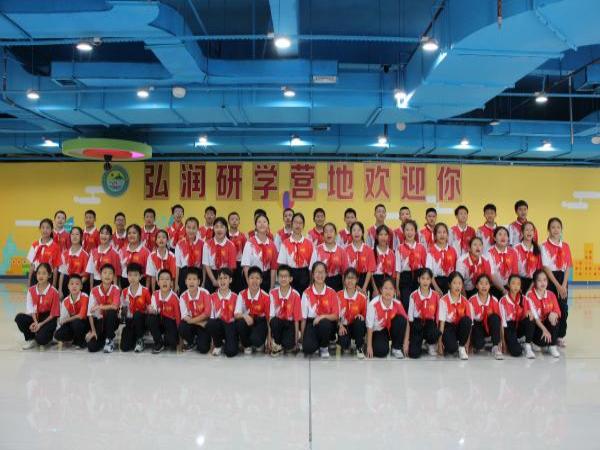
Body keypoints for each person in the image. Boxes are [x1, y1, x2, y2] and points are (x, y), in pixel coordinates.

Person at [541, 217, 572, 346]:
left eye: (558, 227)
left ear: (561, 229)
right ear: (548, 229)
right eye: (553, 227)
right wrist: (557, 286)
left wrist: (563, 285)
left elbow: (568, 266)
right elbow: (546, 267)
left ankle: (560, 336)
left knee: (563, 308)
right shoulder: (544, 246)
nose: (555, 230)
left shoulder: (566, 246)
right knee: (550, 308)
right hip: (550, 279)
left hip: (563, 280)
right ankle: (549, 335)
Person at [15, 263, 60, 349]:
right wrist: (35, 322)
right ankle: (31, 338)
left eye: (44, 273)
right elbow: (31, 309)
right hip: (36, 316)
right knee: (19, 318)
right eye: (39, 273)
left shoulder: (54, 292)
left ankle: (50, 336)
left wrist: (40, 324)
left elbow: (53, 314)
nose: (41, 276)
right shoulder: (31, 290)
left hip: (49, 319)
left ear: (49, 275)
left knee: (41, 340)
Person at [300, 262, 339, 358]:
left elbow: (335, 316)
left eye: (322, 272)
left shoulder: (332, 292)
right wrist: (302, 338)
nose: (320, 275)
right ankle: (317, 342)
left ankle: (324, 347)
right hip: (311, 323)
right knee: (308, 349)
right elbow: (304, 318)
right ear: (313, 274)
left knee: (324, 323)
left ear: (326, 274)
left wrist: (322, 317)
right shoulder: (306, 293)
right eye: (317, 272)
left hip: (327, 323)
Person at [365, 276, 407, 359]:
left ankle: (396, 348)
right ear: (381, 290)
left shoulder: (397, 303)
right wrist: (369, 346)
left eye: (391, 288)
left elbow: (407, 322)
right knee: (381, 352)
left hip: (390, 329)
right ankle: (373, 344)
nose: (388, 291)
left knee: (401, 319)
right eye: (385, 288)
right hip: (378, 331)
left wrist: (406, 342)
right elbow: (369, 326)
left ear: (394, 291)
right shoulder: (373, 304)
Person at [524, 270, 561, 358]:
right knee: (530, 318)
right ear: (534, 282)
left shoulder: (551, 294)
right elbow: (534, 316)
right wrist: (544, 329)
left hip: (545, 326)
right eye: (539, 280)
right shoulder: (529, 295)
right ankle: (528, 346)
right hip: (536, 328)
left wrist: (554, 314)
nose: (542, 283)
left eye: (544, 280)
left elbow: (558, 311)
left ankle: (552, 346)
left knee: (554, 317)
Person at [235, 266, 271, 354]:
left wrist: (269, 339)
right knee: (240, 323)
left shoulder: (266, 297)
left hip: (260, 322)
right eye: (251, 278)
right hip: (247, 321)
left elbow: (268, 320)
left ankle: (259, 343)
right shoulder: (241, 294)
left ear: (261, 280)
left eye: (257, 278)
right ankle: (247, 345)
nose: (254, 281)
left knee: (256, 340)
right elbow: (236, 314)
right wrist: (244, 316)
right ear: (247, 279)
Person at [406, 268, 440, 358]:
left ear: (431, 280)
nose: (425, 281)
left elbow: (437, 317)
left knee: (434, 331)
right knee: (413, 354)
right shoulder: (413, 295)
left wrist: (438, 341)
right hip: (417, 324)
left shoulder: (436, 295)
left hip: (430, 324)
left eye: (428, 279)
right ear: (418, 280)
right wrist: (407, 341)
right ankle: (419, 342)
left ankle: (430, 343)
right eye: (423, 278)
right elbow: (410, 319)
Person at [86, 264, 120, 353]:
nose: (107, 275)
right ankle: (103, 339)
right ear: (100, 276)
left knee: (111, 312)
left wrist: (100, 306)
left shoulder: (116, 289)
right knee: (91, 347)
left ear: (113, 277)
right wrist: (93, 331)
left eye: (110, 273)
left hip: (112, 321)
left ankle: (109, 340)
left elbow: (115, 306)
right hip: (99, 322)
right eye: (105, 273)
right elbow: (90, 313)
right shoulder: (94, 290)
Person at [437, 272, 471, 360]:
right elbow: (441, 325)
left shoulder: (465, 301)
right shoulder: (443, 300)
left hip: (460, 327)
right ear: (449, 285)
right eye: (454, 283)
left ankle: (461, 347)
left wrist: (467, 344)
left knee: (467, 320)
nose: (457, 286)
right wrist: (439, 344)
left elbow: (469, 325)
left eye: (460, 283)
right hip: (448, 327)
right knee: (452, 349)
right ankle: (452, 344)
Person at [269, 265, 302, 356]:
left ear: (291, 279)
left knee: (288, 346)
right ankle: (276, 343)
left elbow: (296, 320)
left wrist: (296, 342)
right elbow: (270, 317)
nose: (283, 279)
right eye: (281, 276)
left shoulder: (296, 295)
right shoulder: (272, 293)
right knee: (274, 321)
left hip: (289, 324)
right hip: (278, 323)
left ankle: (294, 337)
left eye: (286, 276)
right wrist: (269, 338)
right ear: (277, 278)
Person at [277, 212, 313, 295]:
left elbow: (312, 266)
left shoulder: (309, 243)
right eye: (296, 222)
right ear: (292, 224)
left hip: (305, 276)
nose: (298, 225)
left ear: (303, 225)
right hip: (289, 276)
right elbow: (281, 265)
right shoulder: (285, 243)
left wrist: (311, 282)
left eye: (300, 223)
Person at [468, 274, 503, 359]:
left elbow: (500, 323)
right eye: (481, 283)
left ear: (490, 286)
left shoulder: (494, 300)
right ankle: (483, 342)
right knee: (479, 345)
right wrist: (469, 343)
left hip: (489, 325)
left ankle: (495, 346)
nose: (484, 286)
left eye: (486, 283)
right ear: (477, 286)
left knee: (495, 318)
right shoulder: (471, 300)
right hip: (477, 327)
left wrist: (501, 341)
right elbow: (470, 323)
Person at [178, 267, 212, 353]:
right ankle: (191, 342)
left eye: (194, 279)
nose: (191, 282)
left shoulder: (205, 293)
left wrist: (193, 321)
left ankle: (199, 340)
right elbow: (185, 317)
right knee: (182, 327)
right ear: (185, 282)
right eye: (189, 279)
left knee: (203, 349)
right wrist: (199, 323)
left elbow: (207, 313)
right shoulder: (183, 296)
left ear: (199, 282)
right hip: (198, 324)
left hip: (203, 324)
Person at [119, 263, 152, 352]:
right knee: (124, 348)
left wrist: (148, 310)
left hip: (142, 321)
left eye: (135, 275)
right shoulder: (124, 291)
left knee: (137, 314)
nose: (132, 278)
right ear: (127, 276)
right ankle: (134, 337)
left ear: (140, 276)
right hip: (130, 321)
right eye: (130, 275)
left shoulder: (145, 291)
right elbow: (123, 309)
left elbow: (150, 307)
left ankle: (140, 339)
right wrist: (123, 311)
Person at [395, 220, 427, 311]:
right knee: (406, 303)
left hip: (419, 277)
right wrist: (397, 288)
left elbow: (425, 267)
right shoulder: (399, 248)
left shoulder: (421, 247)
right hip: (405, 278)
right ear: (403, 232)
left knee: (418, 304)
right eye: (407, 230)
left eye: (412, 229)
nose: (409, 232)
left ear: (415, 231)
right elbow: (398, 269)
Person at [241, 213, 278, 292]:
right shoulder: (249, 243)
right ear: (255, 226)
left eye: (264, 222)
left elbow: (274, 268)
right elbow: (246, 266)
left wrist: (272, 287)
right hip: (252, 278)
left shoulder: (272, 244)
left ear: (268, 225)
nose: (262, 224)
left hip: (266, 279)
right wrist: (249, 284)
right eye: (259, 222)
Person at [206, 268, 239, 357]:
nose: (222, 281)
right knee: (211, 323)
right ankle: (218, 344)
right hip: (219, 325)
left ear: (230, 280)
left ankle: (230, 342)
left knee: (231, 352)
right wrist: (213, 343)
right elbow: (211, 319)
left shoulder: (236, 297)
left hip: (231, 326)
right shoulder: (212, 297)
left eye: (225, 278)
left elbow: (237, 317)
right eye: (220, 278)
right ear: (217, 280)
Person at [148, 269, 181, 353]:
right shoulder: (155, 294)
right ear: (158, 283)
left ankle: (166, 338)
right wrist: (151, 310)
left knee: (172, 344)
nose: (164, 281)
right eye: (162, 279)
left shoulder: (175, 298)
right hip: (159, 321)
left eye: (167, 279)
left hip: (170, 323)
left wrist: (180, 339)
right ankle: (158, 342)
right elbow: (154, 310)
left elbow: (178, 318)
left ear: (171, 283)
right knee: (150, 318)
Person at [337, 268, 368, 359]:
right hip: (343, 327)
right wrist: (340, 325)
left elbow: (366, 317)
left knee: (360, 320)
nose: (350, 281)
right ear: (344, 279)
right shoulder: (338, 295)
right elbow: (334, 315)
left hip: (356, 327)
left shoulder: (362, 297)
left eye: (353, 278)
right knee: (344, 345)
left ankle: (359, 347)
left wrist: (361, 316)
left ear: (357, 280)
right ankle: (345, 342)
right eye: (348, 278)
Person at [202, 217, 237, 294]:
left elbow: (231, 267)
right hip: (211, 275)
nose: (219, 229)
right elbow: (206, 265)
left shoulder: (231, 245)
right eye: (216, 227)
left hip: (225, 275)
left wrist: (223, 280)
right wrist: (213, 280)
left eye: (222, 227)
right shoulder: (207, 244)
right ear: (213, 229)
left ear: (226, 229)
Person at [54, 274, 89, 349]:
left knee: (77, 322)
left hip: (84, 323)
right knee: (58, 334)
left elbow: (81, 316)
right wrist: (62, 324)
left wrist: (67, 320)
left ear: (81, 286)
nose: (74, 286)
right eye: (72, 284)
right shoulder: (65, 301)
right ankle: (74, 338)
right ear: (68, 286)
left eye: (77, 284)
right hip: (72, 323)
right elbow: (62, 320)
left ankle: (81, 341)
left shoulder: (85, 296)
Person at [310, 222, 348, 291]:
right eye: (326, 231)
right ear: (323, 235)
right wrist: (311, 286)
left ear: (335, 234)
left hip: (337, 283)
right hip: (320, 281)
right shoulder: (317, 249)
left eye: (331, 231)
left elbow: (344, 273)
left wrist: (344, 289)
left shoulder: (342, 251)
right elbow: (311, 269)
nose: (328, 234)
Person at [499, 275, 530, 358]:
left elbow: (532, 317)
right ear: (508, 285)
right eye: (513, 283)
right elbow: (502, 324)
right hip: (509, 327)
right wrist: (503, 342)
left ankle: (527, 345)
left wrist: (530, 313)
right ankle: (514, 341)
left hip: (519, 325)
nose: (516, 286)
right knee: (517, 352)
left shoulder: (525, 299)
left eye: (518, 284)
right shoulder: (503, 301)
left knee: (529, 319)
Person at [27, 218, 61, 287]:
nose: (45, 230)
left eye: (47, 228)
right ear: (40, 229)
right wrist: (29, 282)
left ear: (52, 230)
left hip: (48, 277)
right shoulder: (35, 245)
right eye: (43, 227)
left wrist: (54, 284)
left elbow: (55, 268)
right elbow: (32, 265)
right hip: (35, 277)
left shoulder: (55, 247)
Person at [345, 221, 376, 295]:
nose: (356, 233)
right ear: (351, 233)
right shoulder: (346, 250)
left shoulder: (369, 250)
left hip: (365, 281)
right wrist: (354, 286)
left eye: (359, 230)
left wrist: (364, 287)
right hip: (350, 280)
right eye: (354, 230)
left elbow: (370, 270)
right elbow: (345, 271)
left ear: (362, 233)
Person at [488, 226, 519, 299]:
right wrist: (503, 290)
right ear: (494, 238)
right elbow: (492, 275)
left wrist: (512, 287)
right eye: (500, 234)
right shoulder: (489, 253)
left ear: (508, 238)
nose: (503, 237)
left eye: (505, 235)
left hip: (509, 285)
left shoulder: (513, 252)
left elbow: (515, 272)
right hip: (494, 286)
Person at [426, 223, 458, 295]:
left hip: (450, 283)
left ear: (447, 235)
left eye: (444, 232)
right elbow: (429, 272)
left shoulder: (453, 250)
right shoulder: (430, 251)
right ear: (435, 236)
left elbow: (455, 270)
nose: (442, 235)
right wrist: (436, 288)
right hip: (435, 282)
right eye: (439, 232)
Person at [175, 217, 204, 293]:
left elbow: (204, 265)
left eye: (194, 228)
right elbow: (177, 266)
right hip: (184, 274)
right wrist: (176, 284)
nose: (191, 230)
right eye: (188, 227)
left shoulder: (202, 244)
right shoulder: (179, 244)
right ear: (185, 228)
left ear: (197, 229)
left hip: (197, 273)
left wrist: (203, 281)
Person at [58, 226, 90, 297]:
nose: (74, 236)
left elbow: (86, 276)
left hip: (80, 285)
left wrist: (76, 286)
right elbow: (62, 273)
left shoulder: (85, 255)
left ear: (81, 237)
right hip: (66, 285)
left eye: (77, 234)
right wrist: (60, 290)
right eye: (72, 234)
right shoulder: (64, 254)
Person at [514, 221, 542, 294]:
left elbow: (538, 270)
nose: (529, 232)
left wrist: (531, 287)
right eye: (527, 230)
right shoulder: (516, 249)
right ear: (522, 232)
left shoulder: (537, 249)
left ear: (534, 233)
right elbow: (514, 270)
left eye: (531, 230)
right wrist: (517, 285)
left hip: (533, 282)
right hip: (519, 282)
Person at [371, 225, 396, 297]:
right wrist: (375, 289)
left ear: (388, 237)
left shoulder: (392, 253)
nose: (383, 237)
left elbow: (393, 274)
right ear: (376, 236)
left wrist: (392, 288)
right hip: (375, 283)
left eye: (385, 235)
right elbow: (370, 274)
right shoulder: (372, 252)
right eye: (381, 234)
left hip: (388, 283)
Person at [227, 211, 247, 293]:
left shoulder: (242, 236)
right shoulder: (225, 235)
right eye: (232, 219)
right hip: (227, 264)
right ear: (228, 222)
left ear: (239, 222)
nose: (234, 221)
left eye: (236, 219)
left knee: (238, 287)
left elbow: (245, 252)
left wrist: (243, 266)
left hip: (239, 264)